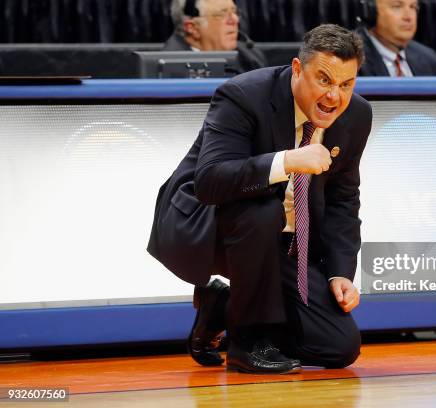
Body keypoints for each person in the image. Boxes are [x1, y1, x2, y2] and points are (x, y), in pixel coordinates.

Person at [147, 24, 372, 374]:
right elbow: (209, 183)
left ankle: (224, 306)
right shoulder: (242, 96)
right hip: (212, 226)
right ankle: (246, 343)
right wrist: (285, 162)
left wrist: (340, 272)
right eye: (324, 80)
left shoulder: (356, 116)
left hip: (282, 246)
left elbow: (344, 199)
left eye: (346, 84)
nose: (334, 97)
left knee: (339, 348)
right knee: (263, 212)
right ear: (298, 69)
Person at [164, 0, 267, 74]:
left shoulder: (251, 57)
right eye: (222, 14)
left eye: (234, 12)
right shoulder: (167, 67)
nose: (235, 19)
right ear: (192, 28)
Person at [356, 0, 436, 76]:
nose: (408, 17)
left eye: (413, 7)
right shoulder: (351, 58)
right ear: (370, 12)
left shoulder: (428, 58)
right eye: (397, 6)